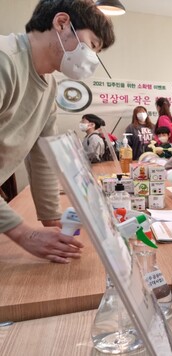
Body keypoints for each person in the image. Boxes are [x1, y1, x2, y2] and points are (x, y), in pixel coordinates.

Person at [0, 0, 114, 263]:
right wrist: (24, 234)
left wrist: (53, 223)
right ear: (62, 23)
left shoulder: (49, 86)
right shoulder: (6, 61)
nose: (92, 57)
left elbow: (45, 157)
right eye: (92, 45)